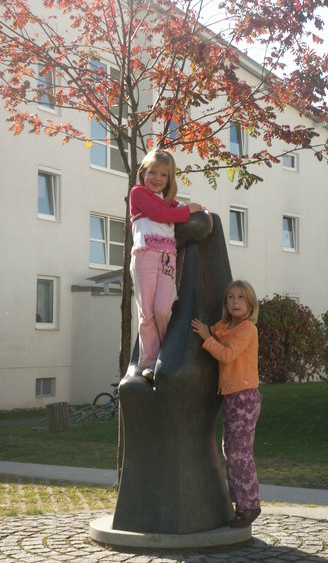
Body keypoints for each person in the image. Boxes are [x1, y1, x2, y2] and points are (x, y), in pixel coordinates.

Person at [191, 279, 261, 528]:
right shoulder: (225, 326)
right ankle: (239, 501)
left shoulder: (246, 329)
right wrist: (205, 332)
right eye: (231, 297)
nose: (235, 302)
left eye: (241, 297)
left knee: (240, 454)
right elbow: (214, 332)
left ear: (250, 304)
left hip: (245, 397)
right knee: (230, 451)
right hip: (231, 397)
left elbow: (227, 354)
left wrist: (206, 339)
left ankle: (250, 505)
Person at [130, 148, 204, 381]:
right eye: (153, 172)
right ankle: (149, 362)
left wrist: (201, 212)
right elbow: (159, 214)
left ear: (169, 180)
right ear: (143, 173)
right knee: (148, 313)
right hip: (145, 257)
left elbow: (174, 211)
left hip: (167, 259)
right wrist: (184, 210)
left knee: (163, 309)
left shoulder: (170, 204)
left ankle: (166, 352)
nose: (157, 179)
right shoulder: (138, 194)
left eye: (163, 175)